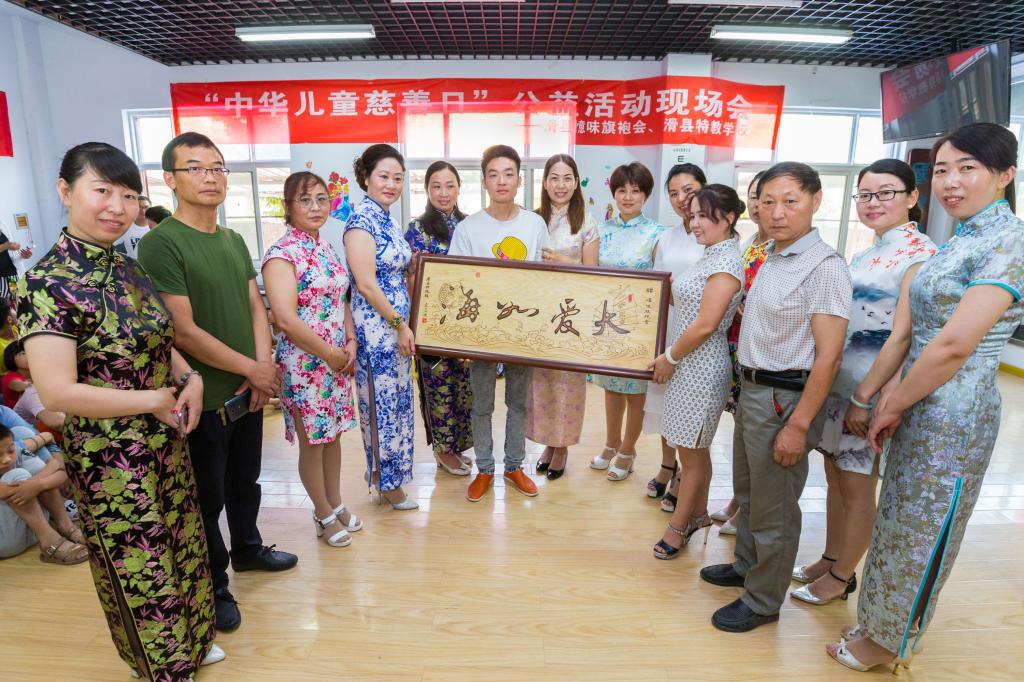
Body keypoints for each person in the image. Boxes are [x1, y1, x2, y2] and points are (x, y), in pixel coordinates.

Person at [19, 142, 222, 679]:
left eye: (129, 195)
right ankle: (162, 663)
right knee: (141, 560)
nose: (117, 206)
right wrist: (152, 399)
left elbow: (158, 339)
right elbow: (57, 392)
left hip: (165, 437)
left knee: (183, 538)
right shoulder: (47, 283)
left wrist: (189, 378)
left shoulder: (129, 267)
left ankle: (194, 637)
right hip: (110, 456)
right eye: (102, 190)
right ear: (65, 192)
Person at [826, 123, 1024, 673]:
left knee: (926, 529)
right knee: (897, 520)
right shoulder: (961, 238)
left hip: (955, 414)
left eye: (968, 168)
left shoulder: (1009, 240)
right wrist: (892, 396)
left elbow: (955, 344)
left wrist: (889, 404)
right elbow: (912, 333)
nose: (951, 181)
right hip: (919, 401)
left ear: (1005, 175)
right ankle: (876, 622)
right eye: (941, 169)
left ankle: (890, 643)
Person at [138, 132, 295, 634]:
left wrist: (262, 368)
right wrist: (253, 369)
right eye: (196, 168)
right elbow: (181, 331)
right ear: (170, 179)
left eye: (217, 167)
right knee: (206, 500)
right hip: (200, 397)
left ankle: (248, 550)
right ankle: (216, 585)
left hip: (247, 390)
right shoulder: (160, 243)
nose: (210, 177)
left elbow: (255, 306)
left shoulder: (232, 239)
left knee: (245, 481)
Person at [699, 161, 851, 634]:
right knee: (749, 492)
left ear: (816, 201)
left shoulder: (824, 267)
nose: (777, 212)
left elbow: (829, 357)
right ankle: (747, 566)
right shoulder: (770, 253)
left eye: (790, 201)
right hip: (753, 390)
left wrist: (799, 425)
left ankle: (764, 600)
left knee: (775, 508)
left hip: (785, 399)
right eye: (767, 202)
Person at [792, 160, 936, 606]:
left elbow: (906, 338)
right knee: (835, 475)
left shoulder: (920, 255)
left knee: (857, 482)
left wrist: (867, 397)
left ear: (912, 197)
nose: (874, 203)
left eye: (887, 192)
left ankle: (842, 576)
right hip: (841, 386)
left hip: (871, 392)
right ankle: (832, 556)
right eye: (866, 195)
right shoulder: (866, 253)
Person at [262, 171, 361, 547]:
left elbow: (342, 299)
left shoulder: (327, 247)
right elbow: (285, 319)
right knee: (314, 442)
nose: (316, 207)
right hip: (305, 366)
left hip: (336, 361)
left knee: (333, 437)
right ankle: (321, 513)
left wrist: (349, 340)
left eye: (321, 199)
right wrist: (331, 353)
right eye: (305, 200)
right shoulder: (281, 254)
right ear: (288, 207)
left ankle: (335, 503)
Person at [449, 144, 549, 502]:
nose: (501, 181)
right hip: (482, 332)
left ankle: (514, 466)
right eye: (493, 174)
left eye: (508, 174)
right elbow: (456, 282)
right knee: (482, 404)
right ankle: (485, 469)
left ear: (519, 180)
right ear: (484, 182)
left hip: (523, 329)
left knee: (518, 402)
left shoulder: (535, 224)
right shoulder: (468, 228)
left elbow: (548, 276)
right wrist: (460, 338)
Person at [649, 185, 743, 558]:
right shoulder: (710, 255)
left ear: (729, 218)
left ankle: (678, 527)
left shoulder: (726, 263)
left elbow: (706, 324)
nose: (695, 223)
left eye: (704, 215)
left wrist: (669, 358)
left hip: (701, 367)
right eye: (693, 215)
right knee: (691, 449)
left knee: (692, 454)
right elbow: (689, 305)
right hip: (688, 364)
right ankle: (698, 514)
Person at [344, 144, 418, 510]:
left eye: (397, 178)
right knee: (381, 405)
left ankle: (382, 474)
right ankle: (386, 482)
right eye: (383, 176)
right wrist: (400, 325)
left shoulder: (386, 218)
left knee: (396, 402)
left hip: (394, 329)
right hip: (377, 330)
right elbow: (366, 284)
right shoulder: (362, 221)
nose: (391, 184)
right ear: (367, 178)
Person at [590, 162, 665, 481]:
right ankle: (611, 443)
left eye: (636, 190)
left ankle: (628, 450)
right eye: (622, 190)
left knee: (635, 390)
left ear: (646, 195)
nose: (628, 196)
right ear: (614, 194)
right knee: (611, 387)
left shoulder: (657, 233)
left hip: (639, 324)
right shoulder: (601, 229)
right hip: (607, 320)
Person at [527, 153, 598, 480]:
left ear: (576, 182)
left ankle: (563, 446)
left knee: (568, 384)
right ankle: (549, 441)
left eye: (567, 178)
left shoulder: (586, 222)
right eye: (554, 178)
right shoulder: (533, 220)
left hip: (572, 315)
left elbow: (594, 273)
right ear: (544, 182)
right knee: (542, 382)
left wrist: (565, 263)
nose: (560, 184)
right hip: (539, 313)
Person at [404, 161, 473, 477]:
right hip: (431, 323)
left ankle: (456, 446)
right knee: (438, 385)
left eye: (449, 185)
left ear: (459, 188)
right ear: (426, 189)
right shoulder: (417, 228)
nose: (443, 193)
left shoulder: (470, 225)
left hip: (467, 321)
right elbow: (412, 279)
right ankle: (443, 451)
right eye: (436, 186)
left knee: (463, 387)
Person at [642, 164, 706, 505]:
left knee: (688, 410)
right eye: (674, 193)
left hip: (698, 335)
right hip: (667, 328)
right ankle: (668, 464)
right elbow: (657, 286)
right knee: (663, 403)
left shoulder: (715, 234)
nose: (682, 199)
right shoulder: (666, 237)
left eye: (689, 190)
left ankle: (685, 473)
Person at [712, 171, 771, 534]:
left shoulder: (778, 248)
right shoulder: (749, 243)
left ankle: (746, 510)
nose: (758, 204)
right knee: (740, 428)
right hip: (735, 343)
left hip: (761, 348)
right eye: (754, 196)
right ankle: (739, 500)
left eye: (765, 197)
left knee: (754, 434)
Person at [0, 424, 86, 562]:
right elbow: (53, 467)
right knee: (18, 476)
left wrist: (38, 484)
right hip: (6, 543)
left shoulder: (17, 451)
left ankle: (66, 526)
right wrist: (48, 471)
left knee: (36, 467)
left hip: (30, 532)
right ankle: (50, 541)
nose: (7, 459)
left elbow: (61, 472)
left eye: (10, 450)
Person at [0, 226, 31, 300]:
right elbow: (5, 246)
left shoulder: (2, 228)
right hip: (1, 280)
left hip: (12, 277)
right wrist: (5, 246)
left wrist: (21, 257)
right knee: (3, 303)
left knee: (14, 300)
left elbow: (6, 258)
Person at [2, 340, 29, 408]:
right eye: (23, 353)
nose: (29, 355)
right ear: (11, 357)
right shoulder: (9, 377)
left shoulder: (33, 374)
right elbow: (20, 387)